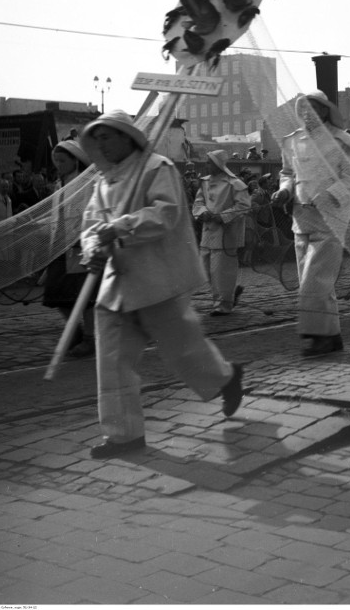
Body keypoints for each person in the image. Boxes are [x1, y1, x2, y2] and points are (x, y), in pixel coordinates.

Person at [79, 110, 243, 459]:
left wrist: (121, 226)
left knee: (183, 350)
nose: (102, 143)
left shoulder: (157, 167)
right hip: (115, 282)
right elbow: (91, 223)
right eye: (97, 138)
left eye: (107, 135)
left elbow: (166, 215)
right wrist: (92, 248)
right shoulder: (103, 180)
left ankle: (226, 378)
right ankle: (123, 435)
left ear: (127, 136)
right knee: (111, 360)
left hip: (156, 278)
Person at [271, 90, 350, 357]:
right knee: (315, 281)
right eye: (301, 109)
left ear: (324, 111)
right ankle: (332, 335)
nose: (305, 114)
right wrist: (285, 190)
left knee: (314, 281)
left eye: (311, 109)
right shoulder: (292, 142)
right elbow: (287, 173)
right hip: (300, 220)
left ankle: (318, 337)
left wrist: (329, 195)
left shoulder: (342, 142)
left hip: (330, 219)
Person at [42, 139, 97, 358]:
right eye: (56, 161)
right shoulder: (59, 184)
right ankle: (75, 332)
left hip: (80, 245)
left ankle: (89, 339)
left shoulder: (87, 182)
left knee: (85, 296)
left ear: (76, 160)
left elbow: (92, 212)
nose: (59, 165)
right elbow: (57, 216)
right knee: (56, 294)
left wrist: (85, 239)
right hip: (60, 246)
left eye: (63, 160)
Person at [192, 150, 250, 315]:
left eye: (209, 162)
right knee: (206, 270)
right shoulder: (204, 182)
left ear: (218, 164)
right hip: (207, 232)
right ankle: (228, 297)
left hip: (226, 235)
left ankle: (223, 305)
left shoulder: (235, 183)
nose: (206, 165)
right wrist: (202, 212)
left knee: (221, 272)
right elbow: (198, 202)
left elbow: (244, 205)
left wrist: (222, 217)